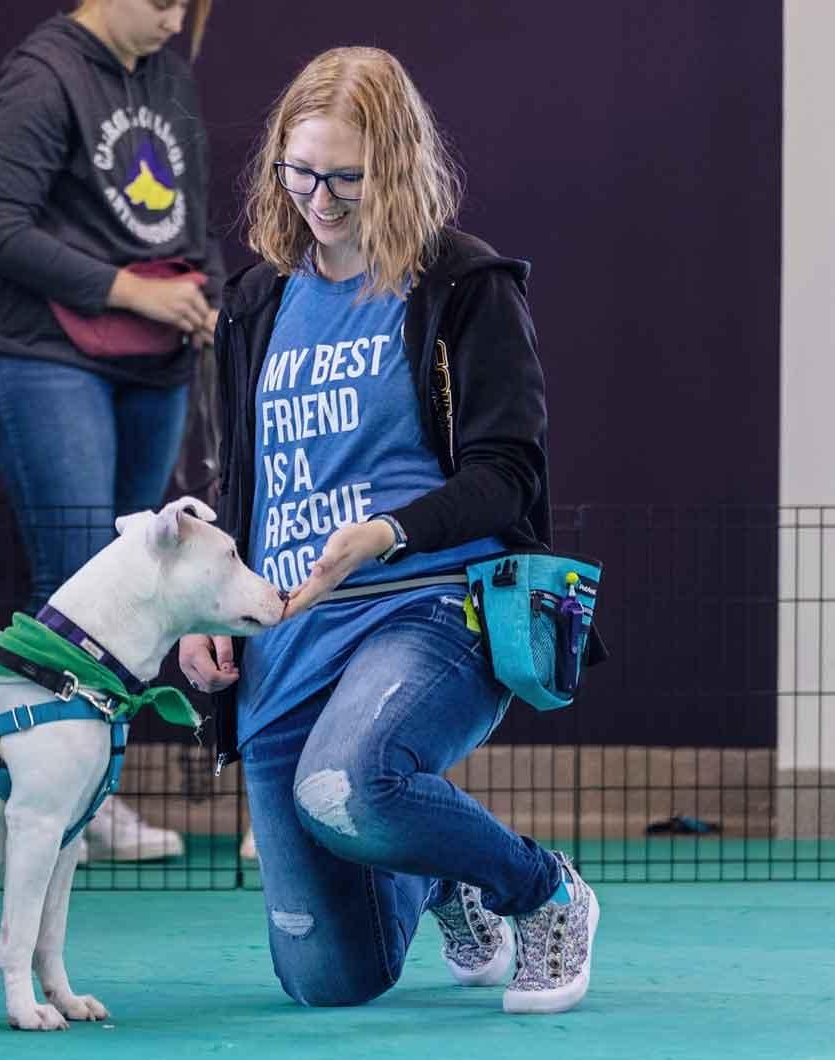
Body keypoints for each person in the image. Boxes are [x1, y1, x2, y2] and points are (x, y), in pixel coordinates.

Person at [178, 46, 600, 1014]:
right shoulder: (257, 300)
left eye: (346, 177)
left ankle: (542, 891)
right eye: (300, 171)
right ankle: (441, 873)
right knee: (326, 980)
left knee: (351, 781)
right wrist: (209, 604)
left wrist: (389, 531)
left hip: (427, 606)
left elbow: (509, 477)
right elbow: (240, 480)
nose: (318, 199)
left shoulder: (462, 283)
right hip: (285, 630)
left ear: (398, 166)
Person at [0, 0, 222, 863]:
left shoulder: (169, 75)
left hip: (153, 365)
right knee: (72, 577)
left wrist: (207, 298)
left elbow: (190, 218)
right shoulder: (43, 76)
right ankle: (53, 802)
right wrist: (136, 292)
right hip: (42, 351)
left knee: (136, 588)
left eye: (186, 4)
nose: (174, 16)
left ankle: (92, 791)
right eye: (160, 1)